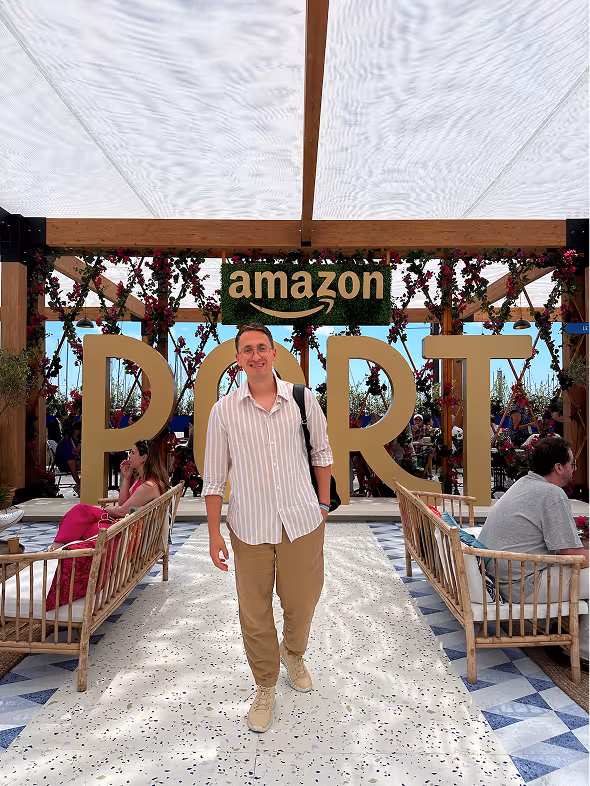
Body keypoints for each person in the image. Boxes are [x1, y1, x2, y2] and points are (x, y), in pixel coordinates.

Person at [203, 322, 332, 734]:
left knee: (303, 599)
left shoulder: (301, 399)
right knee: (254, 611)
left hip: (301, 520)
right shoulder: (223, 411)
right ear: (237, 359)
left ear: (274, 353)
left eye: (262, 348)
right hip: (249, 524)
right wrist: (213, 533)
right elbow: (213, 476)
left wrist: (324, 503)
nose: (255, 356)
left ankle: (293, 652)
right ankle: (265, 683)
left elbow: (322, 452)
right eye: (247, 350)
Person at [478, 437, 588, 664]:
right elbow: (572, 555)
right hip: (520, 586)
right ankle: (583, 653)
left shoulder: (523, 483)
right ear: (559, 468)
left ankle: (550, 625)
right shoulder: (552, 494)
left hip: (499, 577)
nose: (574, 469)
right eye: (572, 464)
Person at [48, 439, 169, 550]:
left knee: (81, 514)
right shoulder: (142, 480)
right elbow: (123, 503)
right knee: (81, 522)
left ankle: (55, 549)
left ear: (143, 458)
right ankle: (57, 548)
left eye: (132, 452)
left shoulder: (148, 486)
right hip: (127, 525)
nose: (129, 455)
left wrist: (106, 509)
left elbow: (122, 511)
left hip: (131, 534)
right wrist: (127, 478)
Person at [55, 422, 82, 495]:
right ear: (77, 432)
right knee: (90, 466)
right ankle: (80, 486)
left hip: (71, 462)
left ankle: (81, 486)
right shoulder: (67, 442)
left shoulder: (75, 440)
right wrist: (77, 481)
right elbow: (71, 462)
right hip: (64, 465)